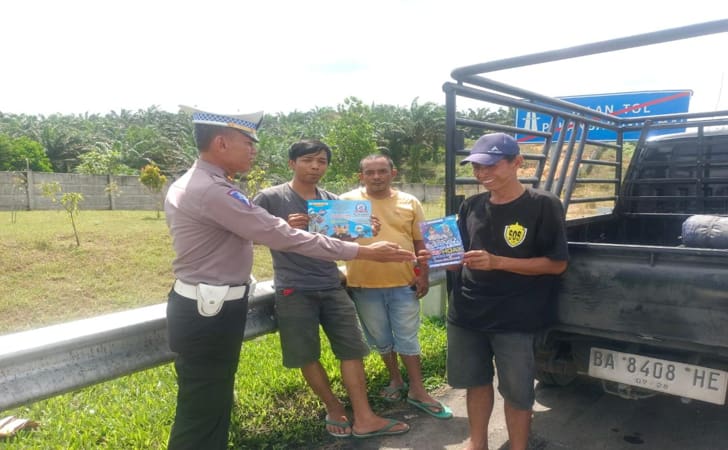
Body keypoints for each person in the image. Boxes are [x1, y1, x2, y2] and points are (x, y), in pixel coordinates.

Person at [164, 110, 414, 450]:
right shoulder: (214, 191)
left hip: (213, 303)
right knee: (202, 406)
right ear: (221, 143)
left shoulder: (208, 184)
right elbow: (280, 235)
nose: (254, 150)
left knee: (209, 401)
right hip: (211, 307)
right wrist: (366, 253)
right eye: (248, 142)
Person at [252, 139, 410, 441]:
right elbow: (245, 233)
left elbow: (342, 238)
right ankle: (334, 407)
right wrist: (282, 227)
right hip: (293, 288)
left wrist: (366, 228)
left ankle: (364, 416)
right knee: (306, 354)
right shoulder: (271, 197)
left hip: (331, 283)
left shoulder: (330, 200)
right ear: (292, 163)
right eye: (308, 160)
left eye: (321, 161)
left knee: (352, 349)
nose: (315, 166)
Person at [424, 132, 569, 450]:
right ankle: (479, 444)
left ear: (517, 162)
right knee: (475, 384)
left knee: (518, 392)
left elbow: (556, 264)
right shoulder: (472, 205)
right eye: (476, 166)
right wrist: (441, 259)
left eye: (491, 165)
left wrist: (498, 261)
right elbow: (459, 258)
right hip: (467, 314)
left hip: (515, 318)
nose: (482, 173)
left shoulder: (543, 205)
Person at [340, 153, 453, 420]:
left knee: (407, 338)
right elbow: (334, 238)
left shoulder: (410, 202)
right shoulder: (345, 202)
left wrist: (423, 274)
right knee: (380, 339)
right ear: (361, 176)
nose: (376, 177)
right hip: (363, 284)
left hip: (404, 283)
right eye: (370, 172)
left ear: (394, 172)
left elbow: (421, 242)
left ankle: (418, 389)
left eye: (382, 171)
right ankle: (395, 380)